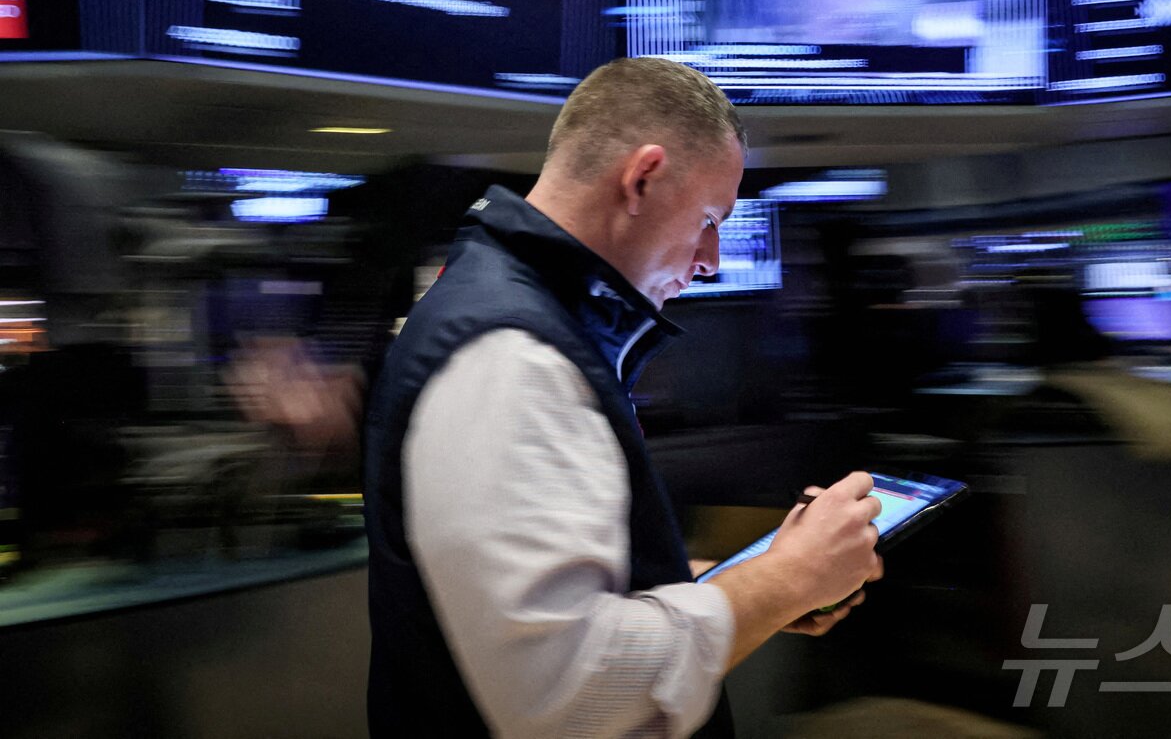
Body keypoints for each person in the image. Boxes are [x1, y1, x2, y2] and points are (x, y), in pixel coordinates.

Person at [362, 57, 884, 738]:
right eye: (707, 218)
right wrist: (782, 581)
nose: (712, 258)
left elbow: (583, 594)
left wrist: (764, 577)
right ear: (641, 178)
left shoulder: (524, 318)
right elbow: (566, 692)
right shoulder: (511, 357)